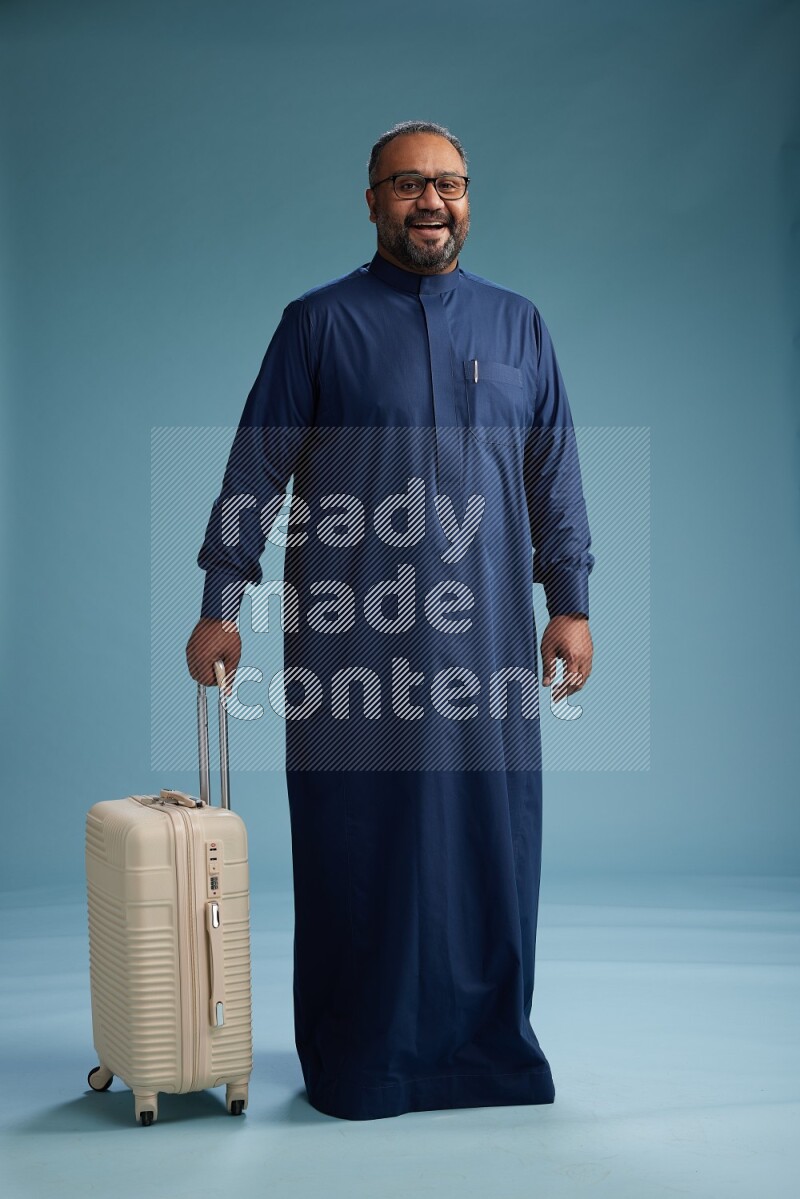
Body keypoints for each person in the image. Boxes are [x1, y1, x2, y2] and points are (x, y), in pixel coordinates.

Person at [186, 120, 594, 1120]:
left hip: (488, 645)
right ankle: (361, 1057)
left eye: (447, 185)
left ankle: (485, 1053)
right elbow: (254, 470)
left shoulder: (516, 327)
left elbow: (553, 474)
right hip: (350, 641)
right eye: (406, 184)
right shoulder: (317, 324)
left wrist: (569, 602)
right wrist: (218, 603)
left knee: (487, 842)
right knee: (354, 840)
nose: (429, 202)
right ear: (369, 201)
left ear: (467, 199)